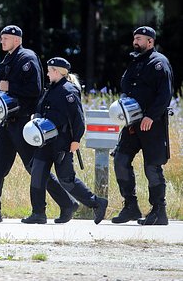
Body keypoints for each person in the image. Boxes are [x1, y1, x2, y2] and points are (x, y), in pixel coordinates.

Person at [0, 25, 76, 223]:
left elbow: (35, 89)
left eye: (6, 38)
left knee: (34, 167)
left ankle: (66, 203)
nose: (2, 41)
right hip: (7, 122)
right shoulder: (8, 59)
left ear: (17, 40)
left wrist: (11, 86)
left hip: (23, 122)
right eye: (2, 38)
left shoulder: (27, 58)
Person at [22, 57, 108, 224]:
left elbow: (78, 118)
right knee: (37, 174)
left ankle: (97, 203)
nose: (47, 73)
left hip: (62, 142)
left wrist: (76, 139)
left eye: (49, 70)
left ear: (56, 71)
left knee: (66, 180)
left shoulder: (69, 90)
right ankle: (38, 213)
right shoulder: (51, 89)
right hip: (45, 141)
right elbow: (41, 109)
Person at [112, 26, 173, 225]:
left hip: (152, 124)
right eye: (134, 38)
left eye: (140, 39)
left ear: (150, 42)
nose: (135, 42)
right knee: (120, 160)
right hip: (132, 123)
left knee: (152, 167)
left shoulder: (159, 63)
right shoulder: (135, 62)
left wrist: (151, 116)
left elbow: (165, 94)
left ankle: (158, 212)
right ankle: (131, 207)